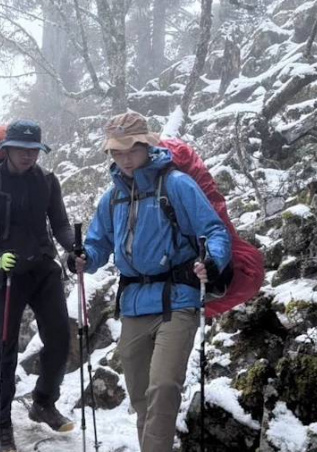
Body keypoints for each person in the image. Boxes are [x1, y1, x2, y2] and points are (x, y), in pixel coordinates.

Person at [69, 112, 232, 452]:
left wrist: (212, 261)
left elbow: (213, 230)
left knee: (162, 389)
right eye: (117, 152)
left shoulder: (176, 184)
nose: (125, 159)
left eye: (131, 150)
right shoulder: (112, 197)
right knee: (143, 398)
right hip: (133, 303)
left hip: (178, 300)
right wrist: (82, 258)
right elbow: (98, 245)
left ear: (147, 145)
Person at [0, 120, 75, 452]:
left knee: (60, 337)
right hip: (6, 275)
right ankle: (1, 422)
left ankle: (43, 401)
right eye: (22, 149)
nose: (28, 156)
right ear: (7, 149)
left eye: (34, 150)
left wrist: (74, 246)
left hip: (42, 268)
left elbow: (60, 224)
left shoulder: (47, 181)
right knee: (5, 347)